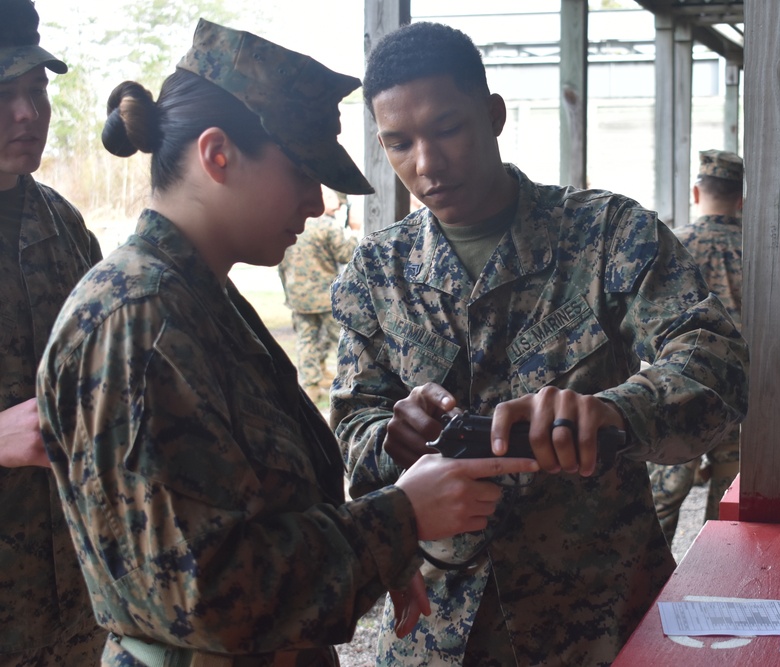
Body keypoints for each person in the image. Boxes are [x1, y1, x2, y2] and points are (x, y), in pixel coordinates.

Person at [35, 19, 539, 667]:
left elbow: (261, 510)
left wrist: (376, 551)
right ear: (218, 155)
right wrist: (400, 518)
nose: (315, 200)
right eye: (302, 172)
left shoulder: (195, 299)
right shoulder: (141, 323)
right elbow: (204, 591)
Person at [330, 22, 750, 667]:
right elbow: (352, 422)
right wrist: (392, 436)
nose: (427, 163)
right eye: (399, 143)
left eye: (447, 129)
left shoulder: (607, 233)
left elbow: (716, 363)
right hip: (438, 621)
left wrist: (614, 411)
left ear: (493, 115)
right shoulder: (375, 274)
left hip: (599, 612)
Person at [0, 1, 107, 663]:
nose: (26, 114)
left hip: (70, 609)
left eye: (36, 89)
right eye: (3, 93)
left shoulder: (63, 224)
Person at [646, 149, 744, 550]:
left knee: (661, 501)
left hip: (678, 393)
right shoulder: (761, 250)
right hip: (741, 393)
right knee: (729, 506)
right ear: (741, 199)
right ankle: (716, 590)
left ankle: (649, 595)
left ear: (695, 192)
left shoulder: (673, 245)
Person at [279, 187, 359, 403]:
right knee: (341, 341)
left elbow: (282, 266)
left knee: (306, 341)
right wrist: (352, 231)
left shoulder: (294, 226)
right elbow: (346, 254)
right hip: (326, 297)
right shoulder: (327, 226)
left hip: (299, 297)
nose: (340, 205)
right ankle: (353, 384)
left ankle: (312, 385)